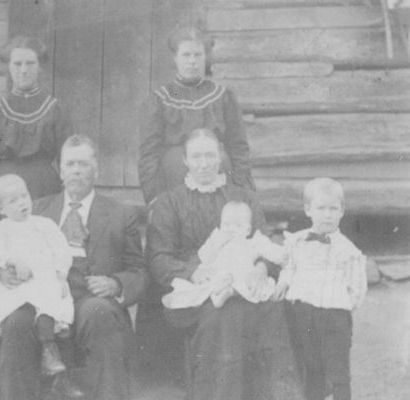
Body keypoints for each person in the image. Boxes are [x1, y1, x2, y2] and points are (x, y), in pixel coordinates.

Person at [147, 128, 301, 400]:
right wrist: (194, 271)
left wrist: (262, 267)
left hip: (246, 279)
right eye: (196, 157)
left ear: (221, 157)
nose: (204, 163)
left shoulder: (244, 197)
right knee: (226, 314)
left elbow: (263, 241)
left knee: (274, 306)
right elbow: (159, 258)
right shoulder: (170, 203)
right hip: (201, 287)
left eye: (210, 155)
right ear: (184, 160)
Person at [0, 134, 148, 400]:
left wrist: (116, 283)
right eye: (70, 164)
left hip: (90, 295)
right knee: (18, 320)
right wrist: (2, 271)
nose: (76, 170)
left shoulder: (122, 214)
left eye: (84, 164)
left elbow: (138, 269)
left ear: (96, 169)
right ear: (60, 170)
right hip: (41, 294)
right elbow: (2, 247)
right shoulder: (36, 210)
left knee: (98, 312)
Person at [0, 35, 72, 366]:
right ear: (9, 68)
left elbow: (67, 158)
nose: (24, 70)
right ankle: (6, 360)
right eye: (17, 64)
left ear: (40, 67)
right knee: (6, 274)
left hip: (44, 192)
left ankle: (51, 356)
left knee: (45, 271)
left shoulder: (55, 108)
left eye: (30, 63)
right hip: (5, 195)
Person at [273, 178, 367, 400]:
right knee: (312, 367)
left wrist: (341, 308)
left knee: (338, 372)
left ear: (342, 211)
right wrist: (284, 282)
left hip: (334, 316)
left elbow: (357, 287)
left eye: (333, 209)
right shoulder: (297, 241)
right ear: (308, 210)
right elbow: (289, 266)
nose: (327, 215)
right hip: (303, 312)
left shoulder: (347, 250)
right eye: (321, 208)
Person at [139, 26, 254, 205]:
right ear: (175, 58)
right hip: (173, 180)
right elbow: (149, 152)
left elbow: (238, 146)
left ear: (205, 58)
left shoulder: (222, 95)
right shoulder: (164, 98)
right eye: (186, 55)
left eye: (198, 55)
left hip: (218, 176)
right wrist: (153, 196)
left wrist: (240, 188)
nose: (192, 61)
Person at [0, 174, 74, 378]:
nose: (22, 202)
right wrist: (11, 260)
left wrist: (61, 274)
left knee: (50, 299)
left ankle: (49, 349)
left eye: (24, 196)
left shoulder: (44, 224)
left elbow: (61, 249)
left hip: (44, 278)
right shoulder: (0, 229)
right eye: (13, 200)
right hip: (18, 284)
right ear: (1, 209)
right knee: (16, 313)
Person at [162, 200, 285, 310]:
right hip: (219, 274)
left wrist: (281, 255)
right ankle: (182, 298)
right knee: (207, 284)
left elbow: (271, 251)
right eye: (226, 224)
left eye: (237, 226)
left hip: (243, 274)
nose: (231, 229)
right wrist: (215, 245)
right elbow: (204, 256)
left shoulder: (253, 242)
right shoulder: (216, 239)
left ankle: (229, 293)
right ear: (220, 225)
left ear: (247, 230)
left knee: (251, 285)